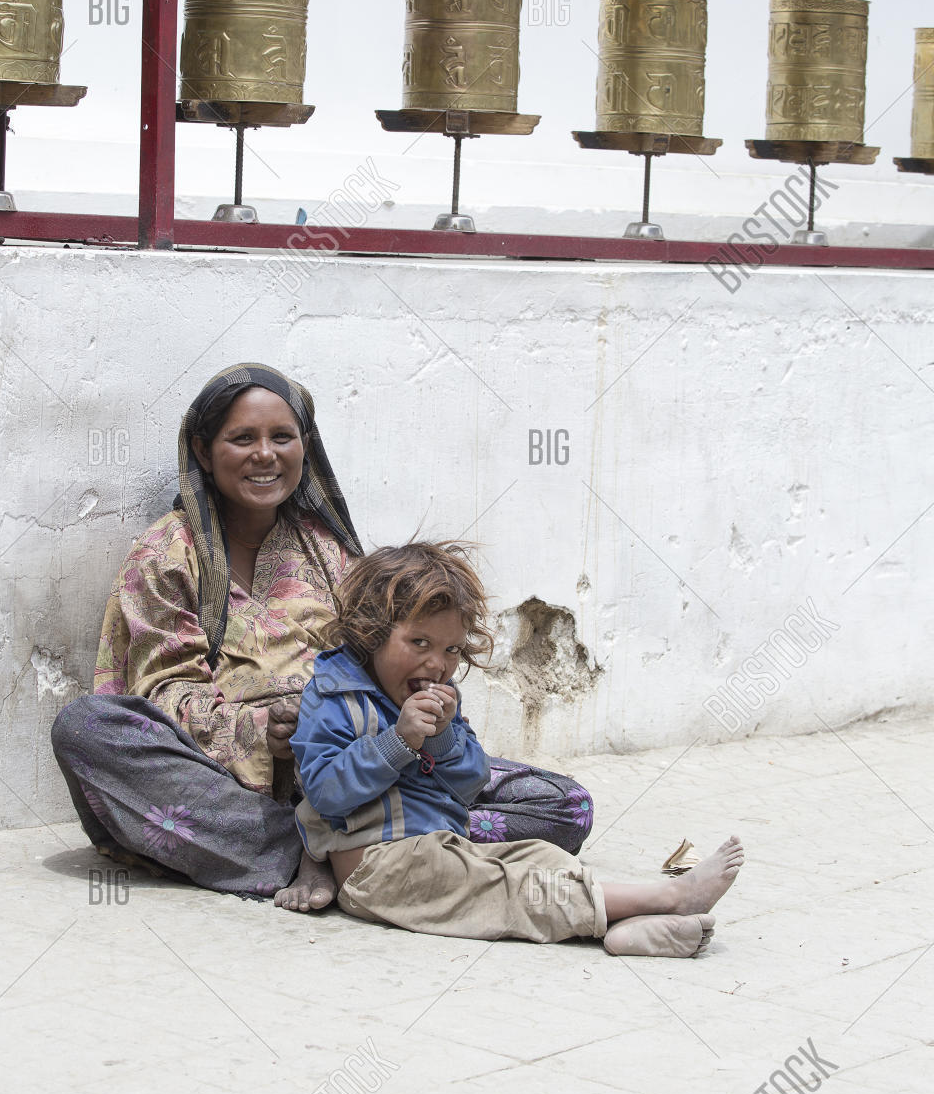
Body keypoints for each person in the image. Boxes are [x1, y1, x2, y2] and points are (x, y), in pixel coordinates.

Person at [51, 364, 595, 909]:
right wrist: (262, 730)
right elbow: (161, 694)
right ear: (202, 449)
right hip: (235, 783)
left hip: (360, 765)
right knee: (87, 730)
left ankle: (369, 849)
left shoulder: (326, 547)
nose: (265, 454)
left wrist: (421, 726)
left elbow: (382, 656)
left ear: (304, 446)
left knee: (563, 805)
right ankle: (341, 853)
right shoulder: (164, 556)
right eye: (243, 438)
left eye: (282, 437)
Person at [292, 542, 744, 955]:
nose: (437, 664)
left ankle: (623, 931)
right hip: (376, 870)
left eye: (451, 649)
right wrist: (396, 742)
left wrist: (444, 739)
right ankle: (671, 897)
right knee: (506, 887)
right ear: (371, 633)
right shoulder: (334, 695)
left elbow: (470, 783)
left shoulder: (441, 698)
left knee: (540, 859)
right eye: (419, 643)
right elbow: (327, 792)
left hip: (447, 847)